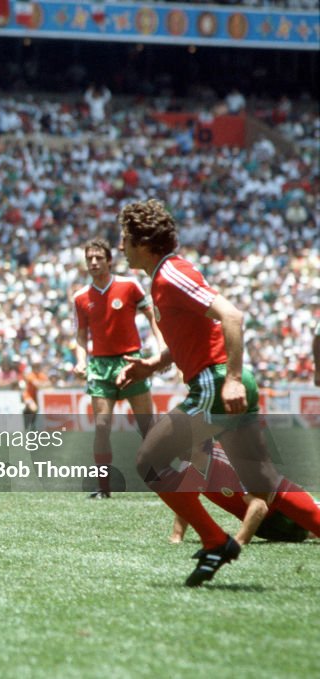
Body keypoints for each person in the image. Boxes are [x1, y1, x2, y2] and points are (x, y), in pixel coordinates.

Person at [116, 198, 283, 587]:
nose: (120, 248)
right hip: (222, 383)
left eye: (124, 240)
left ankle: (213, 540)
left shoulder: (171, 273)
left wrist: (233, 378)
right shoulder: (161, 279)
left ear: (143, 242)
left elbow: (232, 315)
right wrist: (152, 365)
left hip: (216, 384)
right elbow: (187, 339)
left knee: (148, 461)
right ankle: (218, 541)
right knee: (261, 489)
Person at [72, 238, 165, 499]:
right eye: (89, 258)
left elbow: (152, 316)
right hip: (100, 365)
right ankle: (103, 487)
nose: (93, 262)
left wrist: (160, 348)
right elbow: (81, 336)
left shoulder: (129, 286)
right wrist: (81, 360)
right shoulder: (80, 297)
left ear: (109, 260)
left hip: (130, 361)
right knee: (102, 426)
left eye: (98, 258)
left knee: (147, 425)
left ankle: (159, 476)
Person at [167, 441, 320, 545]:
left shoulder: (229, 462)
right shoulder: (187, 467)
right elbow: (186, 504)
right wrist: (177, 536)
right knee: (297, 535)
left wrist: (238, 542)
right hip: (262, 524)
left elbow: (259, 504)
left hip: (281, 502)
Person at [20, 356, 50, 432]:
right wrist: (43, 384)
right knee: (33, 408)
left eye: (38, 365)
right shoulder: (30, 375)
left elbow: (49, 383)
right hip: (28, 396)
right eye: (35, 366)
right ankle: (26, 417)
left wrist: (43, 384)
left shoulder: (41, 375)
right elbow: (37, 384)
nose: (37, 367)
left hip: (36, 398)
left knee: (37, 410)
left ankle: (31, 425)